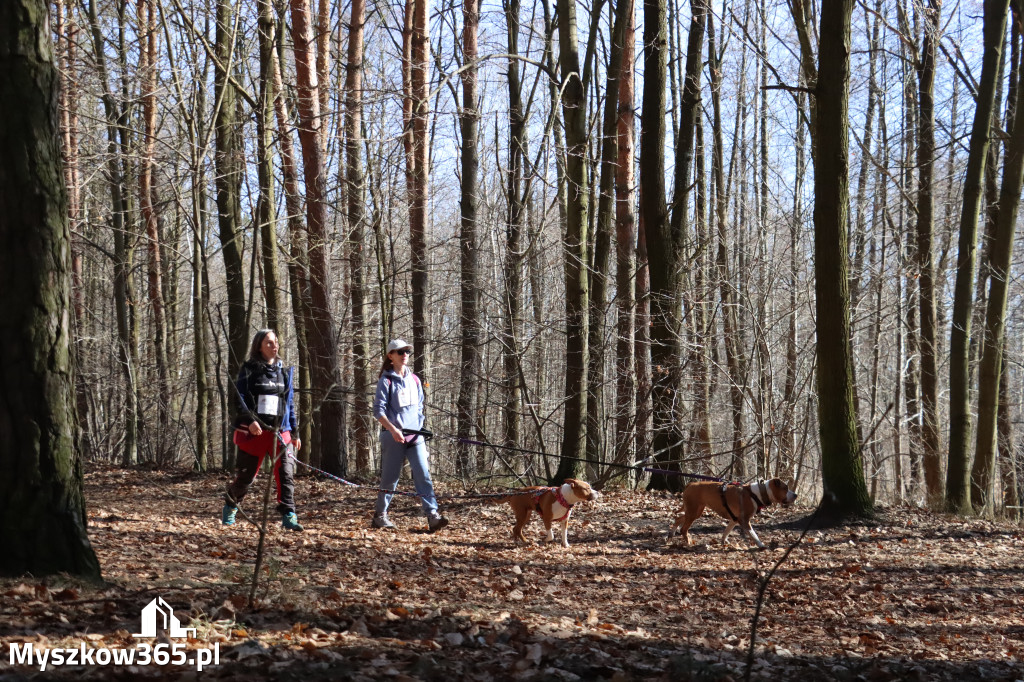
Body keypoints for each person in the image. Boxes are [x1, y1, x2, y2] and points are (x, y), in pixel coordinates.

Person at [222, 329, 304, 531]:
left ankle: (289, 515)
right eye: (269, 342)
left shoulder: (284, 372)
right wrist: (249, 420)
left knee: (286, 475)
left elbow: (289, 403)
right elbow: (238, 399)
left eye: (276, 342)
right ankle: (231, 507)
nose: (274, 346)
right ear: (259, 346)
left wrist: (294, 432)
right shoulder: (249, 370)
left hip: (280, 432)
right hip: (255, 433)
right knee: (246, 477)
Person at [371, 339, 448, 532]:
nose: (405, 355)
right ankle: (380, 515)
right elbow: (378, 411)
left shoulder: (414, 379)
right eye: (400, 352)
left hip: (416, 437)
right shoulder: (386, 380)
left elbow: (420, 406)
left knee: (423, 474)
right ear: (391, 356)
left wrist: (419, 426)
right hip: (393, 436)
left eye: (407, 352)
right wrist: (393, 430)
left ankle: (432, 515)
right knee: (390, 478)